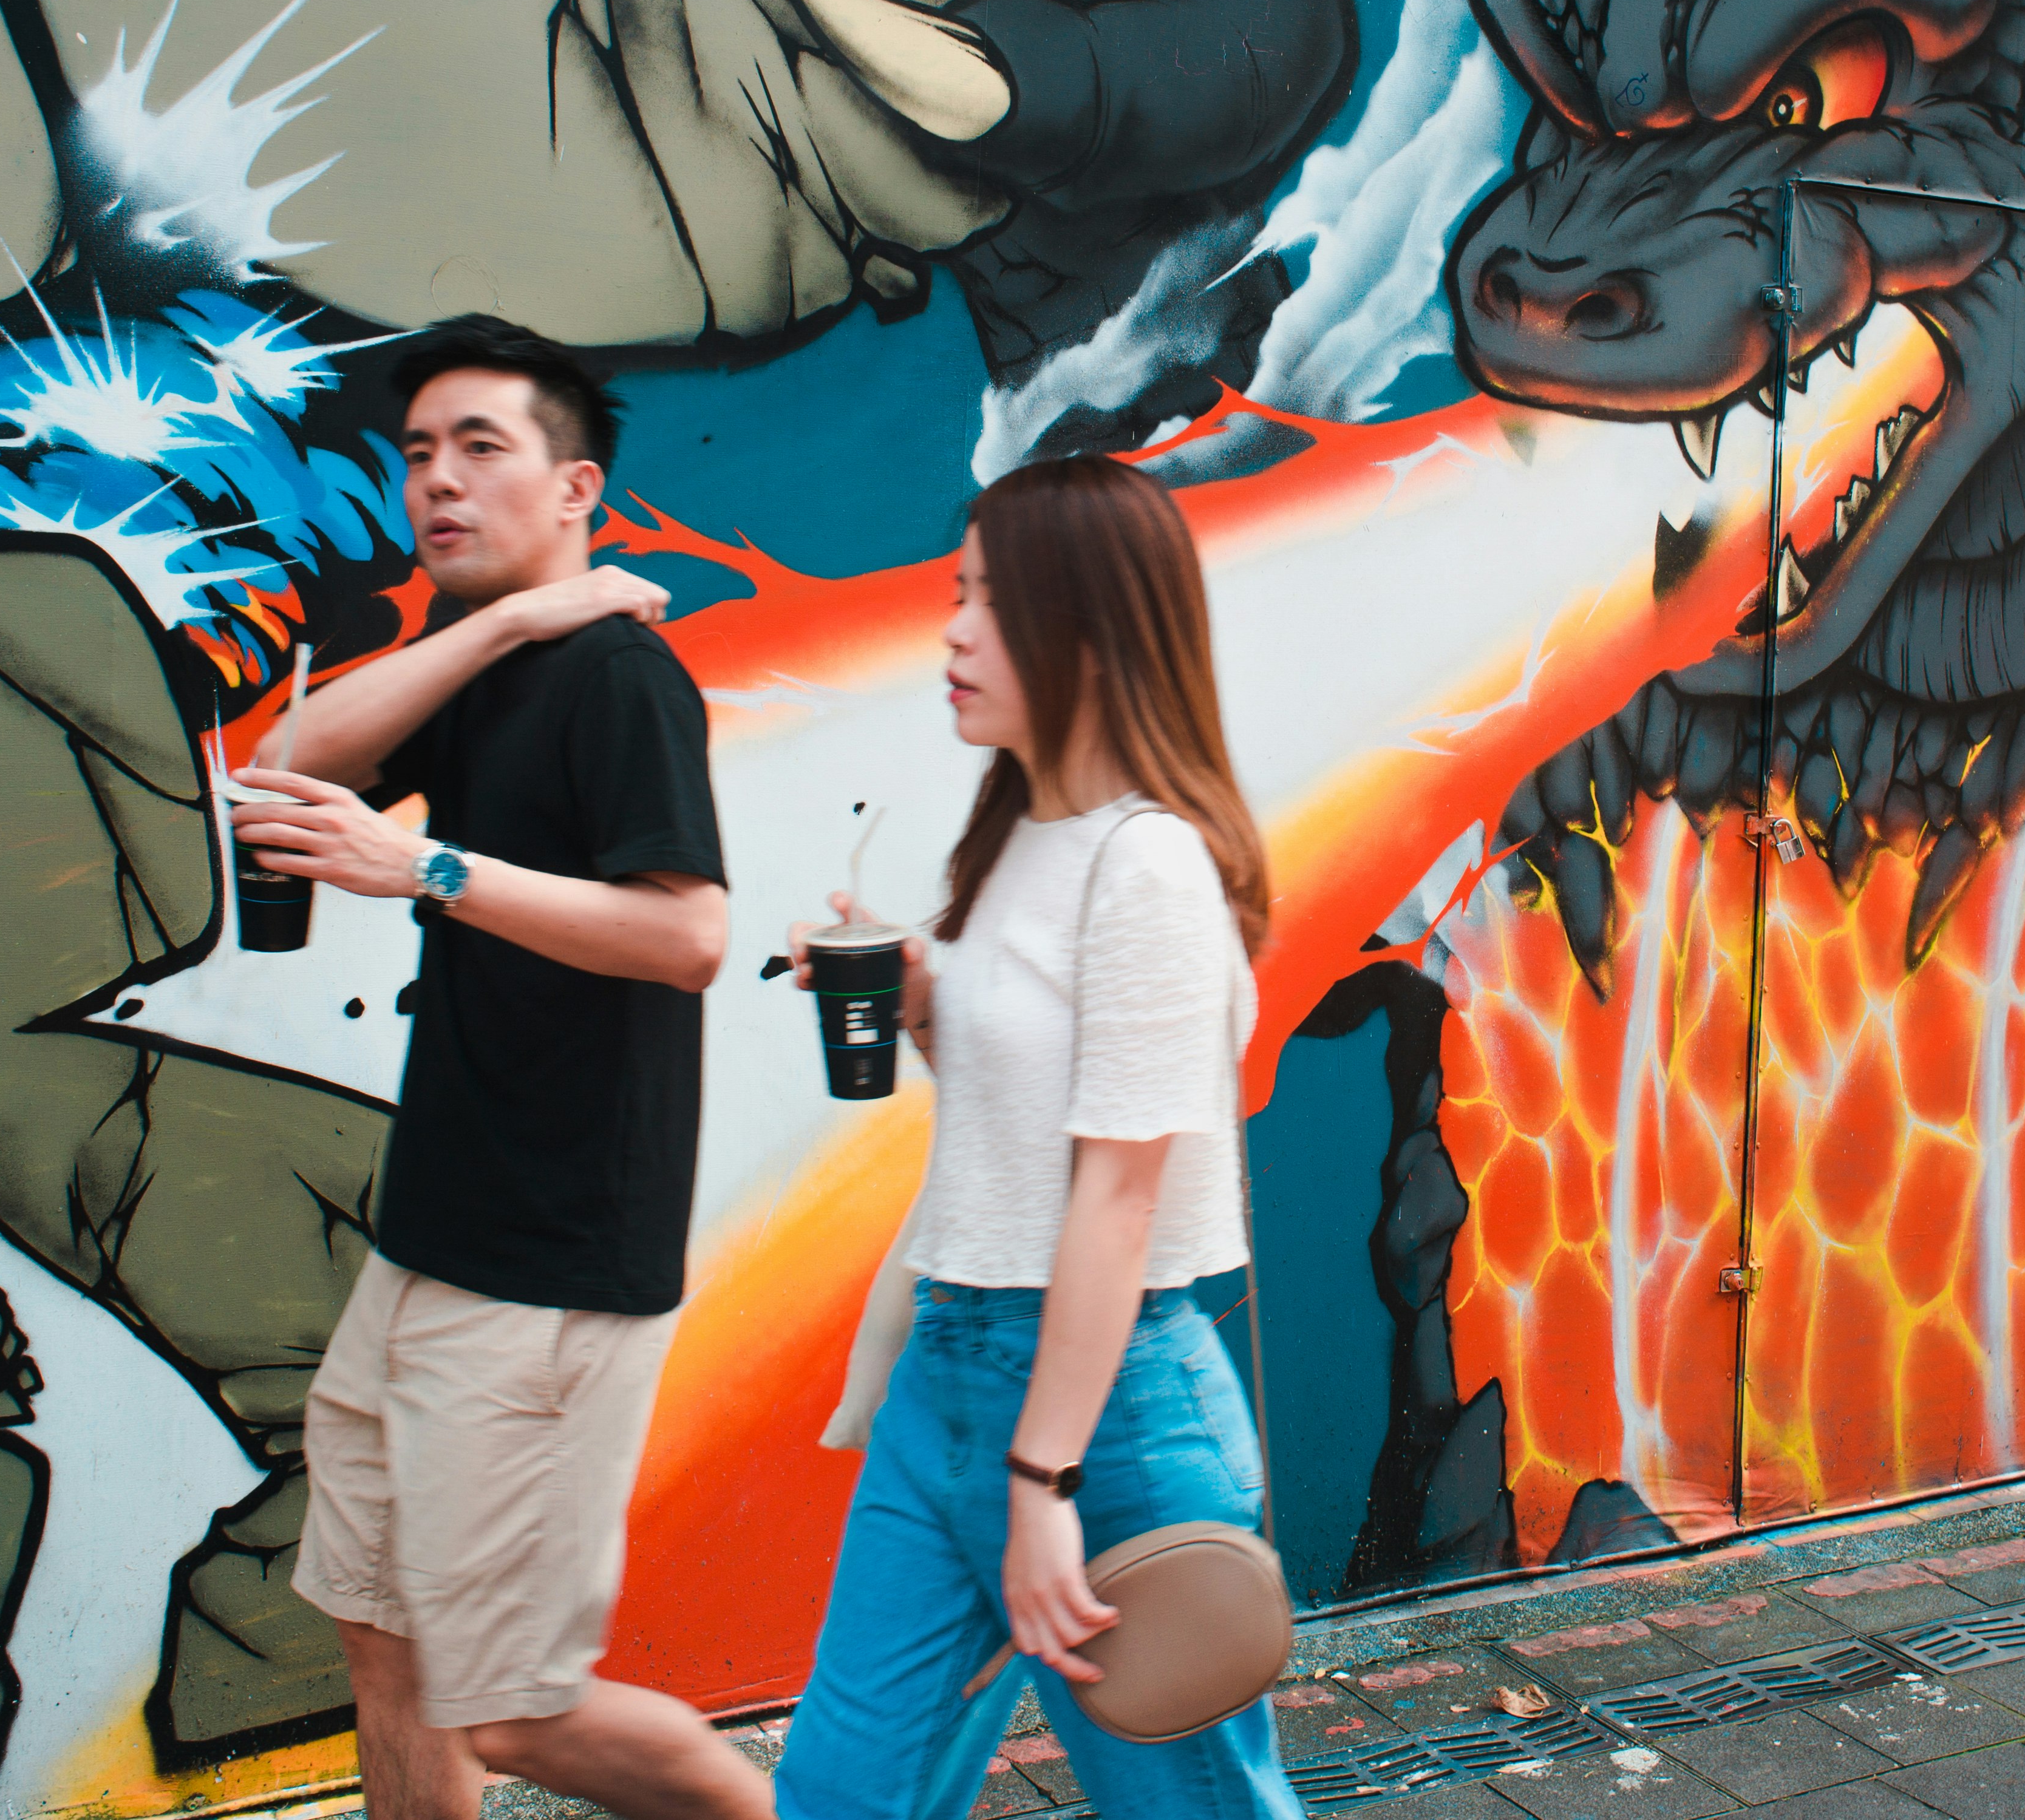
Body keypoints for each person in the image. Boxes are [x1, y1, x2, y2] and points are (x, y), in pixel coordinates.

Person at [230, 313, 768, 1820]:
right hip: (436, 1238)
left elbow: (687, 936)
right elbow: (288, 766)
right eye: (417, 455)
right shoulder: (498, 660)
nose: (437, 482)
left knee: (518, 1709)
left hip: (549, 1265)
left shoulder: (618, 681)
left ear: (576, 485)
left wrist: (428, 870)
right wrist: (495, 623)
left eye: (483, 449)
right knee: (383, 1636)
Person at [775, 455, 1298, 1820]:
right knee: (843, 1788)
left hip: (1106, 1405)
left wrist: (1042, 1476)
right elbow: (1013, 1122)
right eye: (954, 594)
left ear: (1092, 626)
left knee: (1190, 1805)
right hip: (953, 1372)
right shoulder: (1016, 831)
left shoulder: (1150, 868)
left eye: (987, 602)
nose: (948, 630)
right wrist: (921, 1000)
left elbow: (1117, 1200)